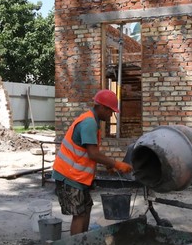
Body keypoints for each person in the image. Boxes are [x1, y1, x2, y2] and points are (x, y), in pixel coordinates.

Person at [52, 89, 133, 235]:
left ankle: (84, 241)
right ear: (101, 107)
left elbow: (89, 152)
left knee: (86, 208)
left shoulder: (91, 121)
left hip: (77, 176)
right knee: (79, 214)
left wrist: (107, 163)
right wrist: (116, 164)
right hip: (69, 176)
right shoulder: (89, 123)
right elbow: (93, 153)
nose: (111, 115)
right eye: (110, 111)